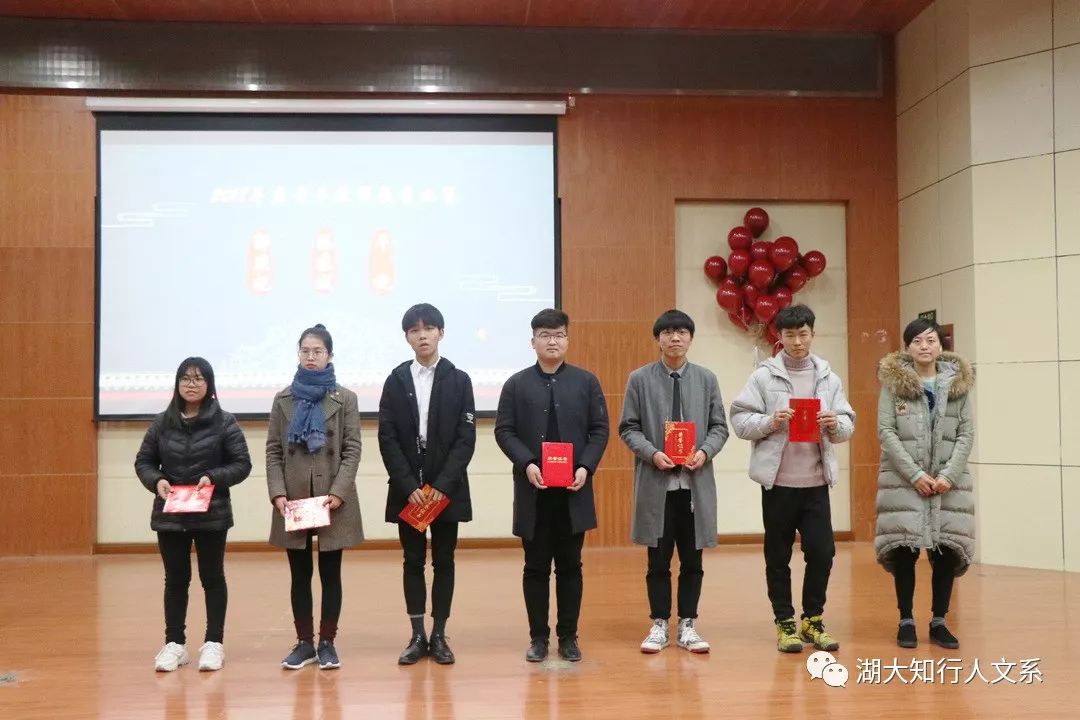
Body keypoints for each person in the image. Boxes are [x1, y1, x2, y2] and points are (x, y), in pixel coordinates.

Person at [729, 304, 855, 653]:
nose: (797, 342)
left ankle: (813, 620)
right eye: (789, 335)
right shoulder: (763, 377)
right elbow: (739, 421)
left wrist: (835, 423)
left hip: (816, 482)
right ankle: (784, 623)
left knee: (823, 552)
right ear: (779, 337)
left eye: (803, 334)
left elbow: (848, 425)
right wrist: (771, 421)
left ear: (813, 334)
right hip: (779, 483)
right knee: (778, 556)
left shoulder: (828, 378)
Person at [494, 308, 609, 663]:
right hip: (534, 490)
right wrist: (527, 463)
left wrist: (586, 467)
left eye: (558, 335)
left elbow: (599, 430)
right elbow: (504, 431)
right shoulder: (516, 384)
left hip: (574, 490)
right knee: (535, 567)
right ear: (533, 342)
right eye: (545, 335)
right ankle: (538, 638)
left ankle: (569, 637)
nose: (552, 341)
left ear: (568, 340)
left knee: (571, 566)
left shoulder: (586, 382)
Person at [619, 309, 728, 655]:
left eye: (681, 332)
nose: (675, 338)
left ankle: (688, 625)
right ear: (658, 339)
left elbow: (719, 426)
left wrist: (705, 452)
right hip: (658, 485)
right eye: (667, 332)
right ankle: (659, 623)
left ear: (691, 338)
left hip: (694, 486)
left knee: (693, 561)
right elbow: (628, 428)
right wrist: (652, 453)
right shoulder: (639, 379)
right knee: (658, 560)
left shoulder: (706, 379)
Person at [135, 357, 252, 672]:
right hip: (171, 514)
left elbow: (242, 464)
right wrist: (156, 480)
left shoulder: (225, 422)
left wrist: (213, 477)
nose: (191, 384)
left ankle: (214, 643)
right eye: (185, 378)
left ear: (209, 385)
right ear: (177, 384)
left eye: (199, 378)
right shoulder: (162, 422)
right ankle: (175, 644)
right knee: (175, 579)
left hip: (211, 513)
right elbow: (144, 461)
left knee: (212, 577)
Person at [378, 303, 476, 666]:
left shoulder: (459, 379)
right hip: (410, 490)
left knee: (445, 561)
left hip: (446, 489)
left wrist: (442, 486)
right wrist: (409, 486)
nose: (422, 335)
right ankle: (418, 635)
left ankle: (439, 634)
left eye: (429, 329)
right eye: (415, 330)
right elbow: (387, 437)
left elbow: (466, 439)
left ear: (441, 333)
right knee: (413, 560)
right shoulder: (396, 380)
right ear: (407, 337)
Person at [267, 324, 363, 670]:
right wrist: (277, 493)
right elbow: (273, 450)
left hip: (331, 499)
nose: (311, 357)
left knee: (331, 573)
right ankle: (304, 642)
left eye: (317, 351)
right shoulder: (283, 399)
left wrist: (338, 493)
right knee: (299, 574)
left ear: (330, 355)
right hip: (294, 499)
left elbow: (352, 449)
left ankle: (327, 643)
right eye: (305, 351)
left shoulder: (345, 398)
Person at [876, 318, 975, 650]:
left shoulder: (958, 386)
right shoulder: (893, 385)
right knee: (904, 549)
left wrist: (949, 475)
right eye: (917, 341)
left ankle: (939, 622)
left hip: (949, 482)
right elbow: (886, 432)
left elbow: (966, 434)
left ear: (940, 346)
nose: (924, 346)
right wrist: (915, 474)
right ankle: (905, 620)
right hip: (903, 481)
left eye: (930, 340)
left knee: (946, 549)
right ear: (907, 347)